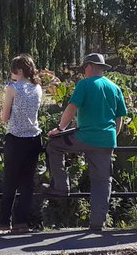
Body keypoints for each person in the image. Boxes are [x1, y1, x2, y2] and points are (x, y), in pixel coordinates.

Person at [45, 53, 128, 233]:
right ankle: (97, 223)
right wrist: (111, 137)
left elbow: (71, 108)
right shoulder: (115, 88)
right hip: (107, 140)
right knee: (102, 182)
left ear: (89, 66)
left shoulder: (85, 84)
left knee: (54, 146)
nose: (84, 71)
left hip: (84, 137)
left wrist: (59, 129)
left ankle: (60, 186)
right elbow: (119, 118)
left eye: (84, 68)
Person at [0, 54, 43, 233]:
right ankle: (21, 221)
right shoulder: (37, 88)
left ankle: (3, 220)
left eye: (13, 69)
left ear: (19, 70)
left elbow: (5, 116)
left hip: (16, 138)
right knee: (27, 182)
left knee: (10, 181)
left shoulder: (12, 87)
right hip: (34, 138)